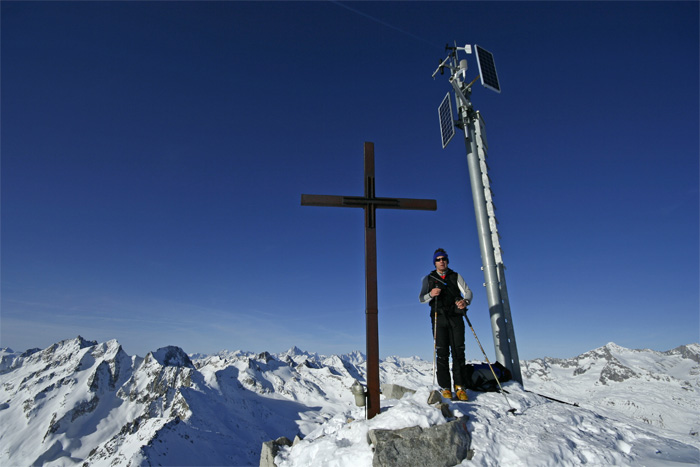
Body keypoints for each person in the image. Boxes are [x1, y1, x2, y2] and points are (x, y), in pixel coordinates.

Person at [419, 248, 473, 401]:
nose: (441, 261)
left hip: (456, 317)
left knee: (458, 352)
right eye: (438, 259)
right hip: (438, 317)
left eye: (444, 259)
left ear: (447, 261)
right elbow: (421, 298)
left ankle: (460, 387)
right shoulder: (428, 278)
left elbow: (468, 292)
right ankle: (445, 387)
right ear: (434, 262)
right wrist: (431, 294)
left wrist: (465, 301)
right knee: (442, 353)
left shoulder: (455, 276)